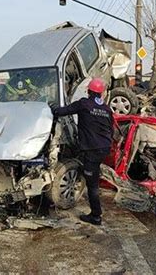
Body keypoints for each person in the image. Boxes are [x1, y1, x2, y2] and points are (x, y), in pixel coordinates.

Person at [50, 78, 113, 226]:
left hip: (92, 150)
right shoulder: (106, 109)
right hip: (104, 148)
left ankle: (96, 216)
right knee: (91, 174)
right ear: (101, 94)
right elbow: (111, 129)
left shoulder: (84, 104)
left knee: (93, 185)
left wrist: (51, 105)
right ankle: (87, 175)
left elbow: (61, 111)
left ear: (88, 91)